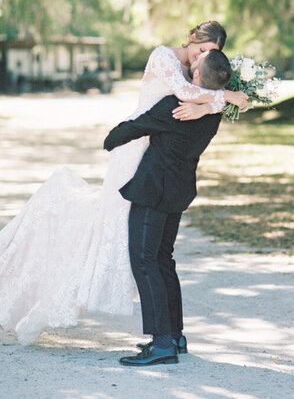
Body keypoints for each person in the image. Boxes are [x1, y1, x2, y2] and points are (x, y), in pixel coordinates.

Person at [0, 21, 247, 345]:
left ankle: (165, 336)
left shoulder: (198, 82)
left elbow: (193, 91)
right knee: (124, 236)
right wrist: (226, 97)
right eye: (203, 49)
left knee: (144, 250)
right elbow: (186, 93)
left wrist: (211, 102)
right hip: (139, 153)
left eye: (211, 55)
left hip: (156, 154)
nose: (201, 58)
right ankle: (165, 334)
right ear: (193, 38)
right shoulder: (163, 58)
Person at [103, 49, 232, 366]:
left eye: (195, 65)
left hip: (153, 191)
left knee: (145, 260)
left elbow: (130, 130)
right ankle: (175, 336)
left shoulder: (174, 107)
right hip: (178, 190)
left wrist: (111, 138)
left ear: (198, 78)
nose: (189, 65)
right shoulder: (213, 111)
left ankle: (161, 344)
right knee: (163, 259)